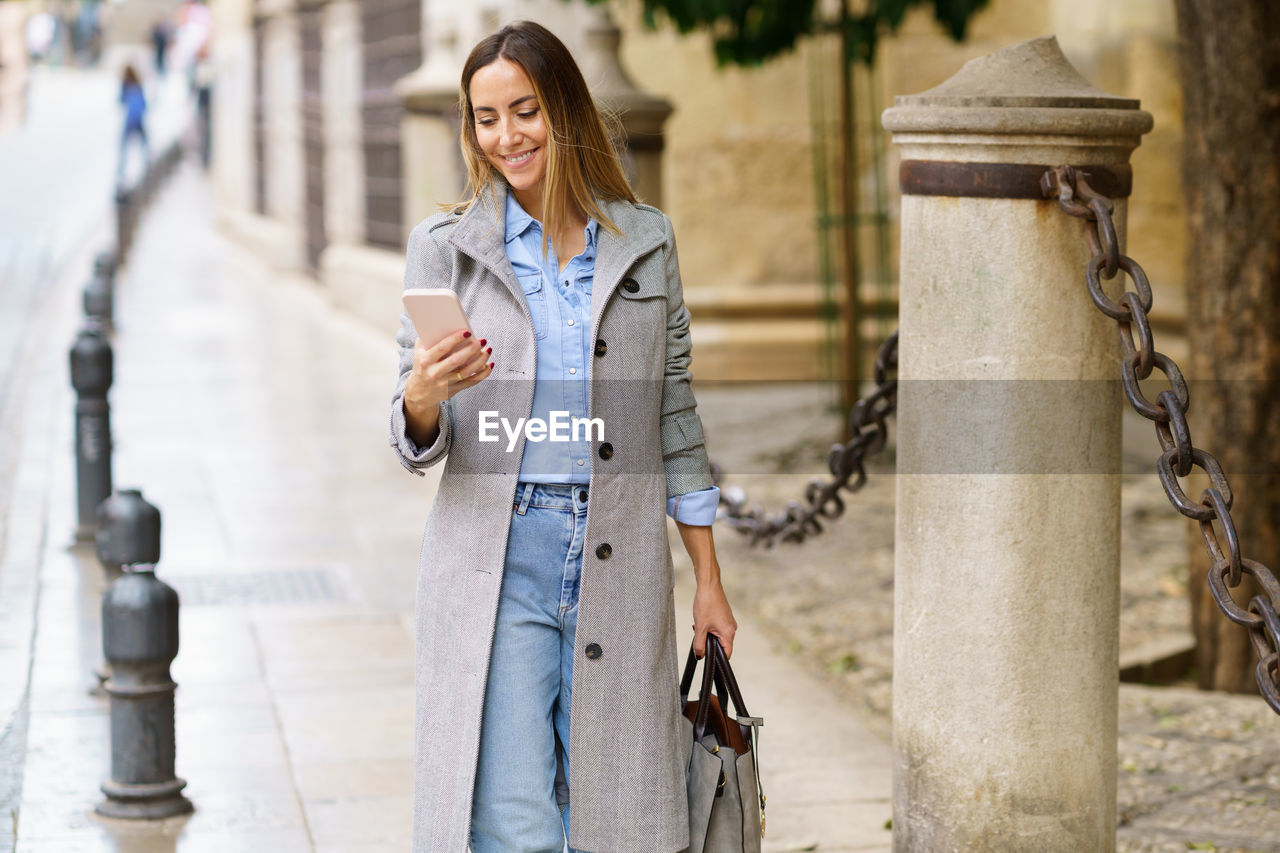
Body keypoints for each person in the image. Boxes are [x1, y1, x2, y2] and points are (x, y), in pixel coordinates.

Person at [389, 20, 737, 853]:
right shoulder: (444, 251)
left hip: (617, 549)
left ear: (566, 110)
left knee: (618, 814)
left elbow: (675, 414)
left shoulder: (645, 242)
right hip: (496, 556)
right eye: (485, 117)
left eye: (525, 110)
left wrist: (709, 580)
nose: (506, 135)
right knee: (513, 820)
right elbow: (411, 436)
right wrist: (425, 394)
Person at [117, 65, 148, 183]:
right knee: (144, 145)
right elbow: (144, 104)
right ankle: (146, 165)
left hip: (130, 121)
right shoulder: (138, 85)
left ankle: (121, 173)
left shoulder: (125, 85)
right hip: (139, 120)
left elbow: (120, 101)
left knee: (123, 149)